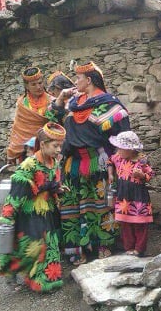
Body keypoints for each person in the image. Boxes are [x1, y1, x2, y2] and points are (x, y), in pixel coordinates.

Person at [53, 61, 130, 265]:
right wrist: (60, 99)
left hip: (98, 162)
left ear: (89, 80)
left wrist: (115, 162)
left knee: (99, 205)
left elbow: (122, 134)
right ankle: (77, 247)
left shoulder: (109, 103)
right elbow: (53, 120)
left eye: (78, 78)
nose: (75, 82)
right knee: (73, 206)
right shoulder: (74, 103)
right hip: (72, 164)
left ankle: (103, 244)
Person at [0, 122, 67, 293]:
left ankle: (45, 281)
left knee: (49, 243)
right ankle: (12, 269)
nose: (59, 150)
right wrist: (8, 216)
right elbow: (17, 189)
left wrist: (57, 189)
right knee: (32, 245)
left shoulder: (54, 163)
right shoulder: (29, 164)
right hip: (30, 211)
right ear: (43, 145)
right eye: (55, 146)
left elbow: (54, 183)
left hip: (48, 210)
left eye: (60, 146)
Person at [107, 130, 154, 256]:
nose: (118, 151)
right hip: (124, 197)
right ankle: (128, 248)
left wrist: (142, 175)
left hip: (139, 197)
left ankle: (139, 249)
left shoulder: (142, 160)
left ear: (131, 149)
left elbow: (150, 174)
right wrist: (111, 174)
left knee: (140, 224)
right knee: (125, 223)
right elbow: (109, 161)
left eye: (121, 148)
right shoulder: (118, 158)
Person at [6, 67, 60, 164]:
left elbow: (56, 126)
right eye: (33, 84)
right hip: (27, 150)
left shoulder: (52, 101)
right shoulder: (22, 103)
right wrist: (13, 149)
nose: (38, 87)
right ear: (27, 86)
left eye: (40, 83)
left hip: (48, 148)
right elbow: (19, 128)